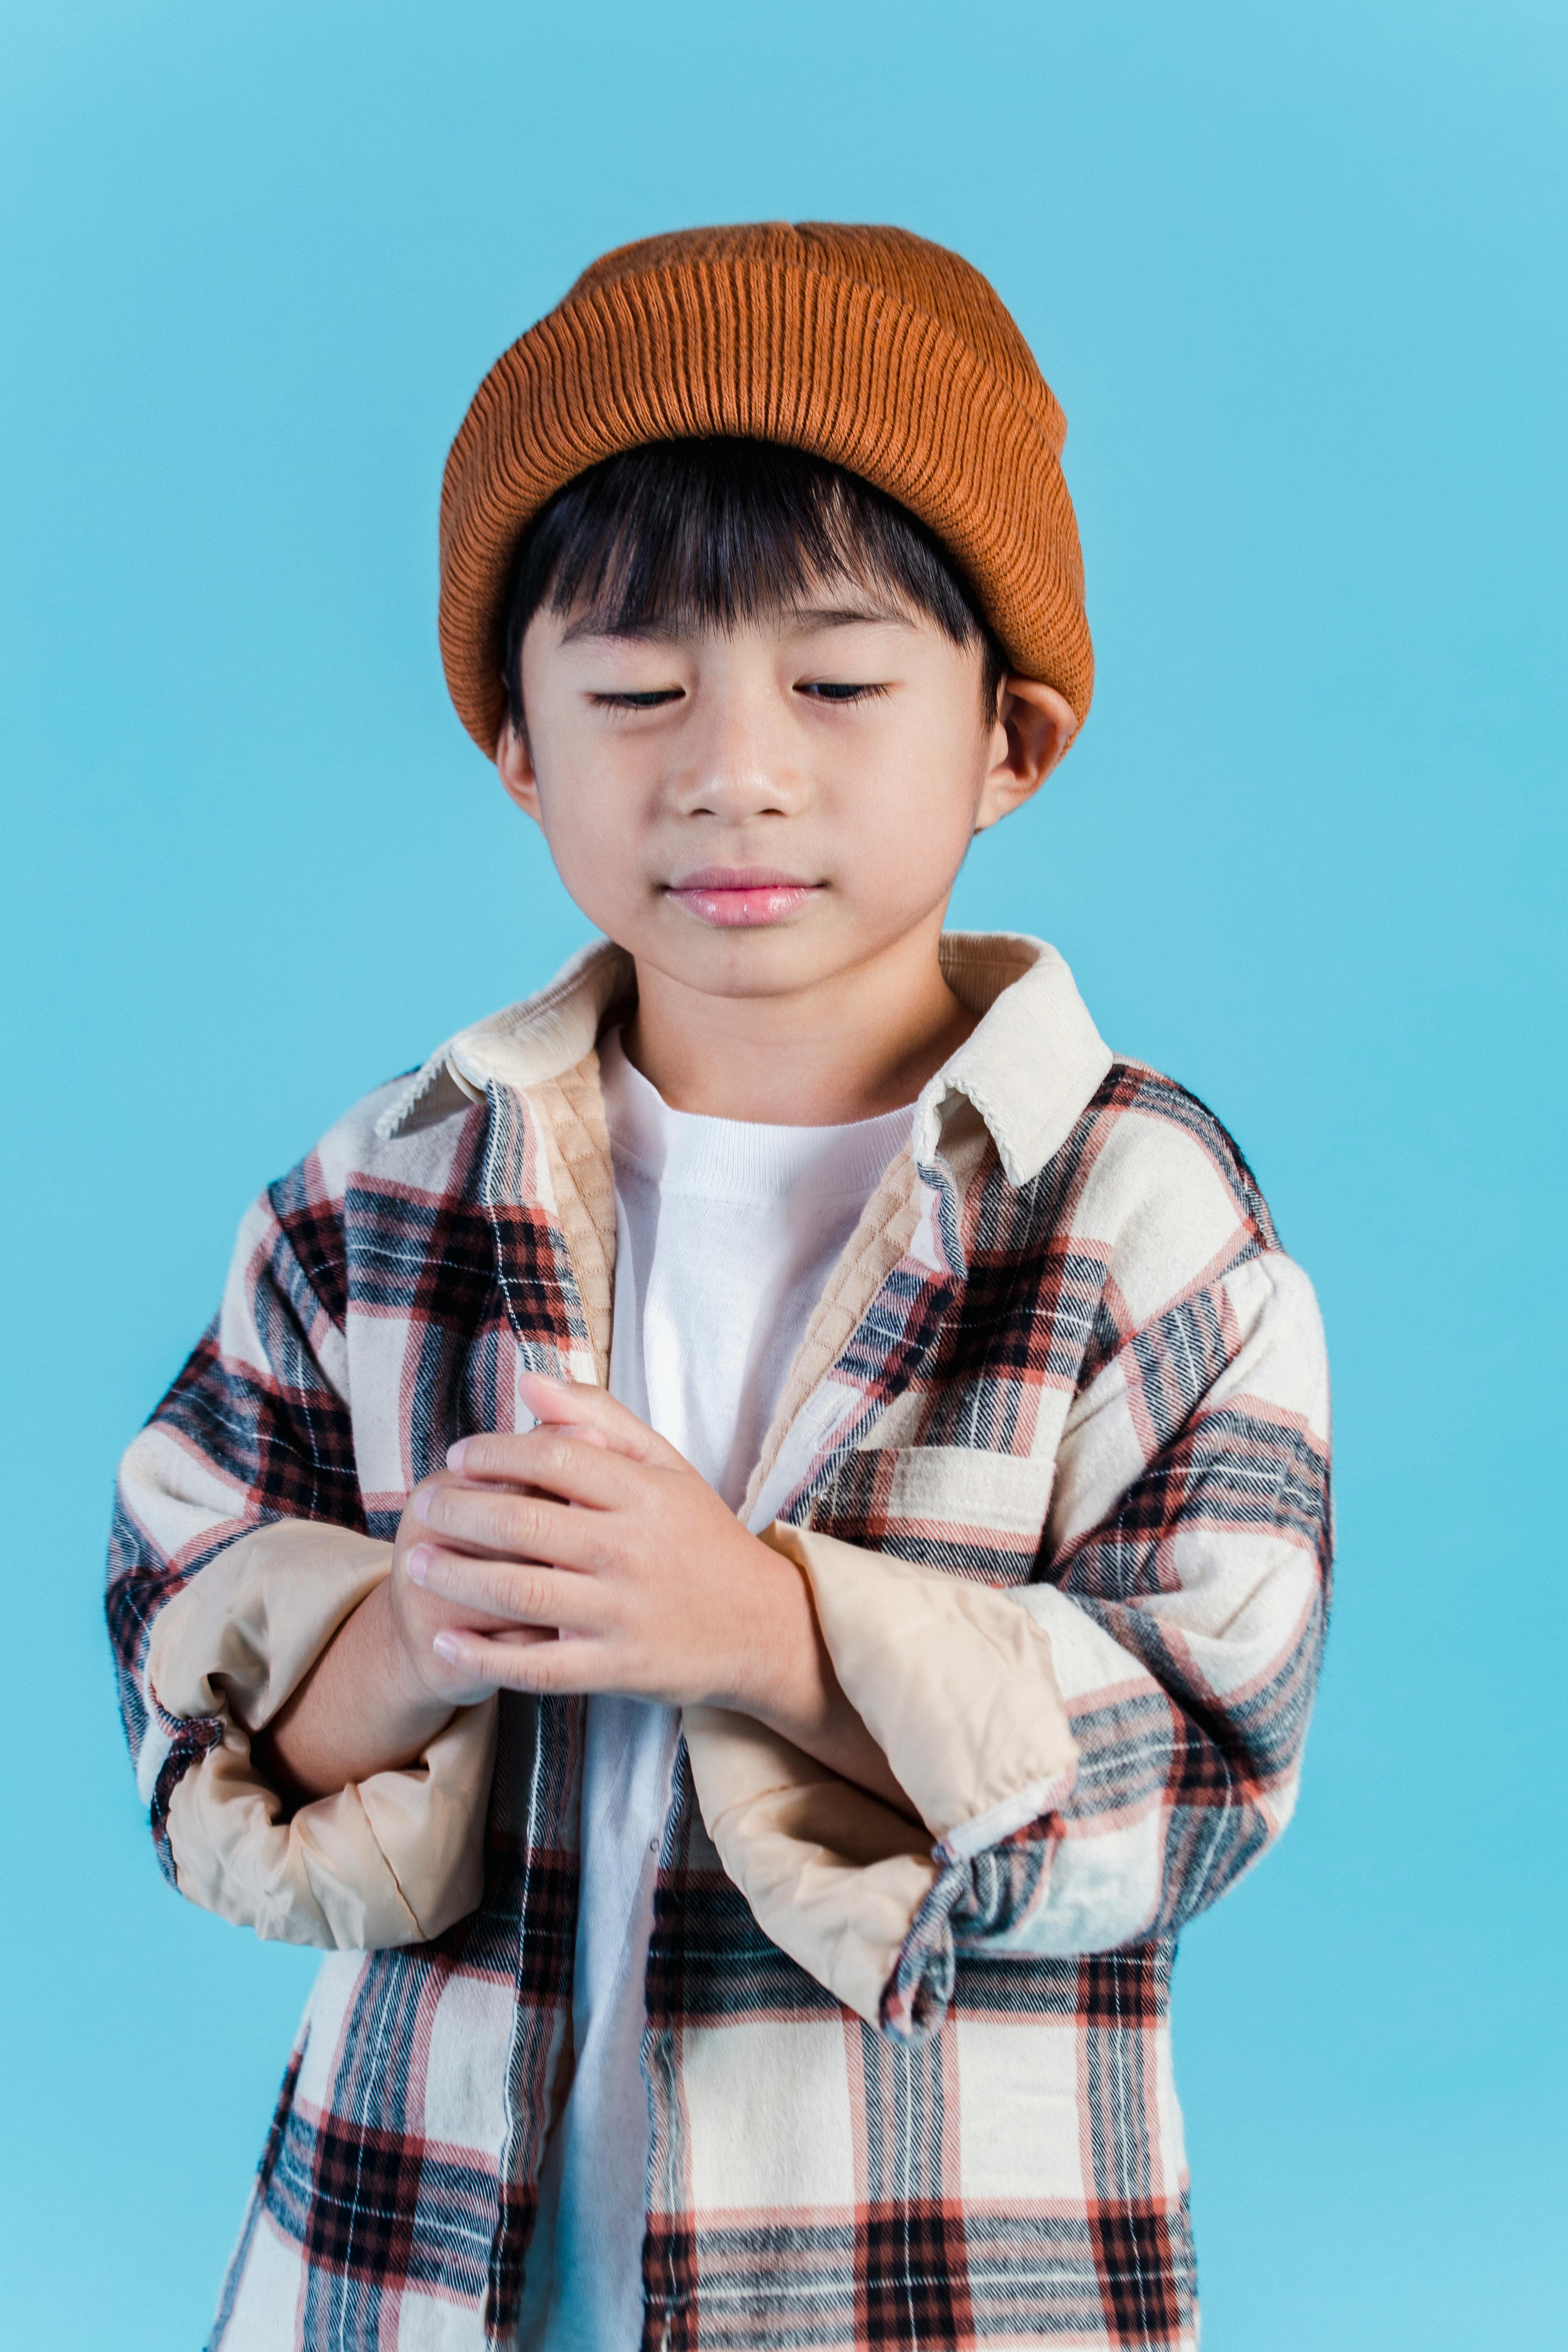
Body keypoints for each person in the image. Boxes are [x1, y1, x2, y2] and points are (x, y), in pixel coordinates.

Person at [107, 221, 1332, 2352]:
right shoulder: (375, 1200)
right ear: (516, 744)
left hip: (933, 2286)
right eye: (637, 690)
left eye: (840, 685)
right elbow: (181, 1688)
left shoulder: (1139, 1222)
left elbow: (1209, 1764)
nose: (733, 766)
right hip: (403, 2272)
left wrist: (762, 1630)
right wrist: (407, 1631)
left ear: (1008, 742)